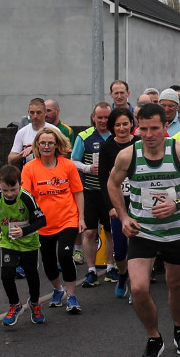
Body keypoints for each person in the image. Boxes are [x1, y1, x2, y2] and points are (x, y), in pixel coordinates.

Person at [107, 103, 180, 357]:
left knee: (175, 284)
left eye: (154, 128)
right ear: (137, 128)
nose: (149, 134)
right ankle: (154, 337)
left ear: (166, 127)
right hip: (143, 230)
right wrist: (125, 216)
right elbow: (112, 184)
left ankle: (179, 328)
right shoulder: (128, 156)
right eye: (144, 128)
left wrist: (177, 204)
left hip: (175, 230)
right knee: (138, 287)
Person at [0, 165, 49, 326]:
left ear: (20, 184)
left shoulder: (27, 198)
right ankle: (15, 304)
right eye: (4, 190)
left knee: (31, 274)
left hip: (29, 243)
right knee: (6, 275)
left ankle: (35, 303)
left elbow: (42, 220)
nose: (9, 194)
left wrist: (24, 231)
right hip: (8, 242)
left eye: (13, 189)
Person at [21, 128, 85, 313]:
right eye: (43, 143)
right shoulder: (30, 168)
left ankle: (72, 296)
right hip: (43, 223)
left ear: (56, 145)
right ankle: (58, 289)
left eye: (50, 143)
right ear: (37, 146)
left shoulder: (67, 165)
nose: (46, 146)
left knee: (65, 256)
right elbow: (26, 198)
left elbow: (78, 192)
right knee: (48, 262)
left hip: (68, 219)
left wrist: (81, 217)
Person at [72, 102, 118, 287]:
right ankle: (91, 270)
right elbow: (73, 161)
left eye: (107, 117)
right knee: (90, 232)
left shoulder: (117, 137)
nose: (103, 121)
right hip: (90, 192)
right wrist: (87, 168)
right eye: (100, 117)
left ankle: (110, 268)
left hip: (110, 193)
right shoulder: (84, 137)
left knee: (111, 232)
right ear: (93, 117)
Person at [99, 106, 136, 298]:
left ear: (132, 124)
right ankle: (123, 274)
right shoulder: (107, 148)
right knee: (120, 251)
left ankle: (136, 287)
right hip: (118, 204)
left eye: (125, 124)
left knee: (138, 247)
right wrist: (111, 206)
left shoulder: (139, 143)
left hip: (139, 203)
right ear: (112, 127)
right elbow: (102, 180)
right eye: (118, 125)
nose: (122, 128)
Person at [8, 98, 51, 166]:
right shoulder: (22, 132)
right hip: (29, 173)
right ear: (28, 113)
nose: (35, 116)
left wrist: (36, 148)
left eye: (39, 112)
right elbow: (11, 160)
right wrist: (23, 154)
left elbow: (63, 155)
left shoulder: (54, 131)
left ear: (45, 113)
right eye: (32, 112)